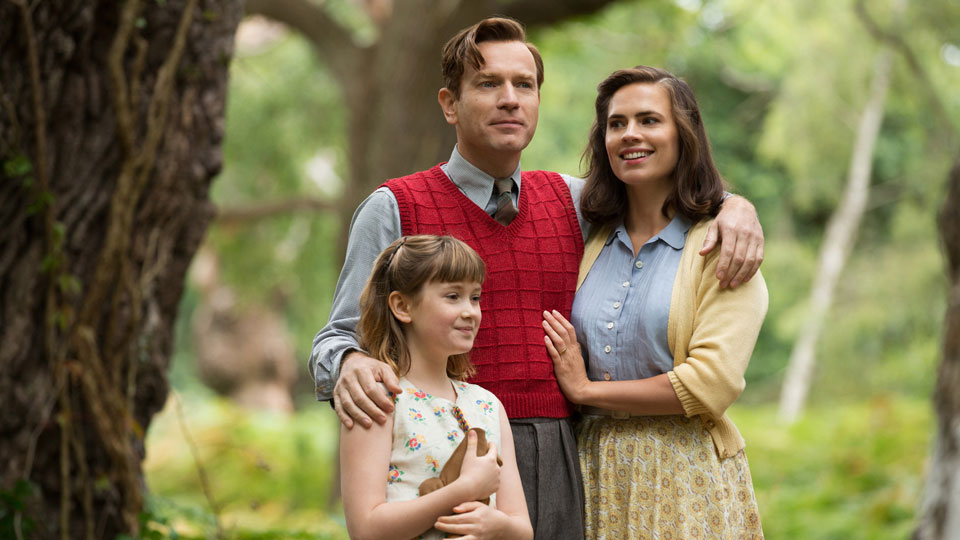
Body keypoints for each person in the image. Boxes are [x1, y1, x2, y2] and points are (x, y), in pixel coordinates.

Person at [311, 17, 764, 539]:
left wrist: (734, 206)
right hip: (441, 455)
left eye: (523, 85)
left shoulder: (574, 203)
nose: (510, 99)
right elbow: (337, 336)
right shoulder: (394, 207)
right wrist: (347, 361)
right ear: (449, 104)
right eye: (488, 84)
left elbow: (658, 192)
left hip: (563, 454)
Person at [542, 66, 768, 539]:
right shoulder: (588, 235)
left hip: (681, 476)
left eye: (649, 120)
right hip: (589, 469)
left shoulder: (723, 245)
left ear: (683, 133)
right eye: (616, 123)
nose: (630, 135)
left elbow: (710, 384)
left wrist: (585, 391)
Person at [341, 235, 532, 540]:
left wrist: (495, 526)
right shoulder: (378, 398)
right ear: (403, 306)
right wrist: (464, 490)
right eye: (452, 296)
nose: (470, 311)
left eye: (475, 297)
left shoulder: (488, 405)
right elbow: (366, 529)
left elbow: (522, 529)